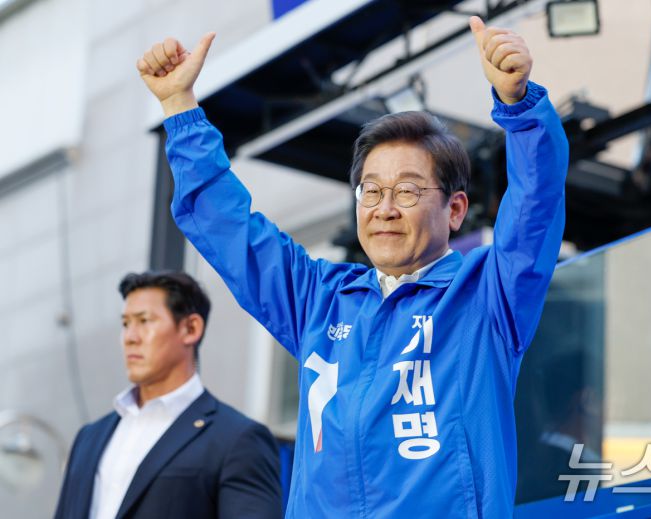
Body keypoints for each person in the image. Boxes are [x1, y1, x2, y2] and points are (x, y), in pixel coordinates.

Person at [137, 16, 567, 517]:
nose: (385, 209)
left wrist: (520, 106)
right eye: (372, 191)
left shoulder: (486, 296)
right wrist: (179, 106)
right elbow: (230, 229)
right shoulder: (320, 300)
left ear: (455, 210)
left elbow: (535, 205)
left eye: (408, 191)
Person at [54, 271, 282, 519]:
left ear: (191, 328)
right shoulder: (88, 438)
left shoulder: (236, 439)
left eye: (144, 321)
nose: (130, 337)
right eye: (126, 323)